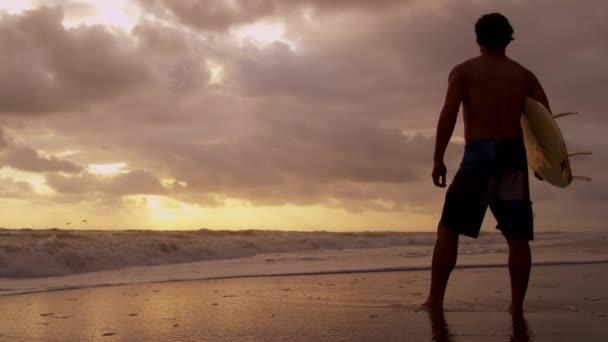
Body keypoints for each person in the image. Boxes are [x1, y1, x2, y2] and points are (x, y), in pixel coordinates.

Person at [423, 13, 550, 314]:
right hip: (514, 157)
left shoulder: (465, 71)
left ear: (478, 38)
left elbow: (448, 115)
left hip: (479, 156)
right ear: (509, 38)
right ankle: (516, 307)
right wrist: (541, 160)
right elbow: (544, 120)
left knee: (449, 228)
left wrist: (438, 158)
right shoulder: (524, 75)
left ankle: (435, 301)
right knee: (517, 237)